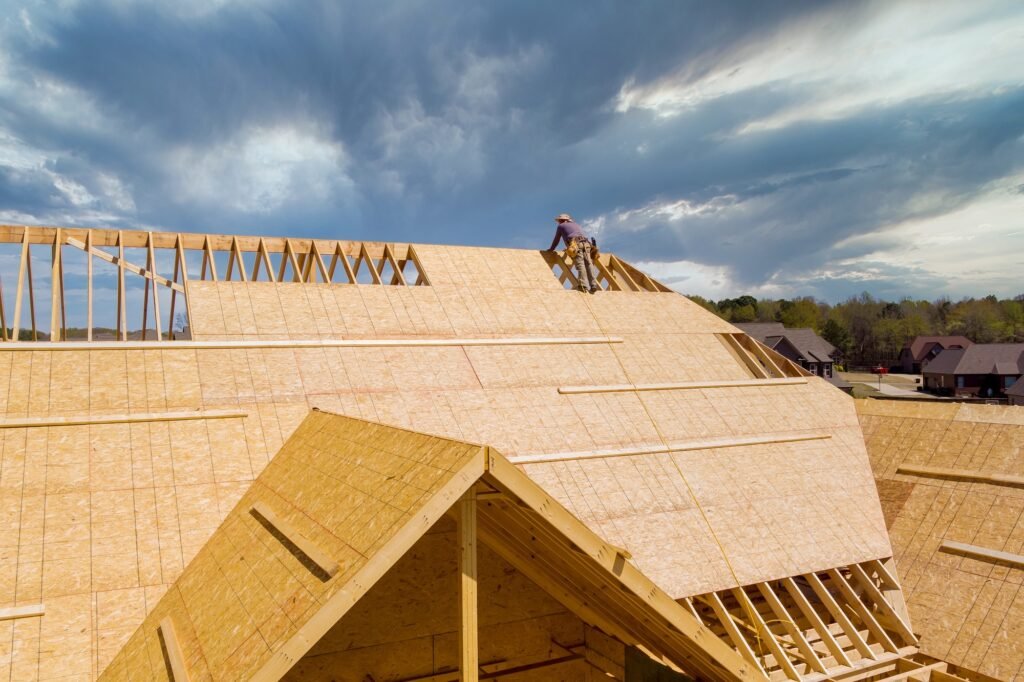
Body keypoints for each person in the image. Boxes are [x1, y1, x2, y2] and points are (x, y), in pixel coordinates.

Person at [547, 213, 599, 293]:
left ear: (562, 220)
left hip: (576, 244)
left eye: (559, 220)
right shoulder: (576, 225)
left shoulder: (561, 226)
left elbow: (556, 240)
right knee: (589, 264)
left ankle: (583, 285)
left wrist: (551, 249)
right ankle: (593, 284)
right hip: (587, 244)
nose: (559, 222)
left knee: (580, 264)